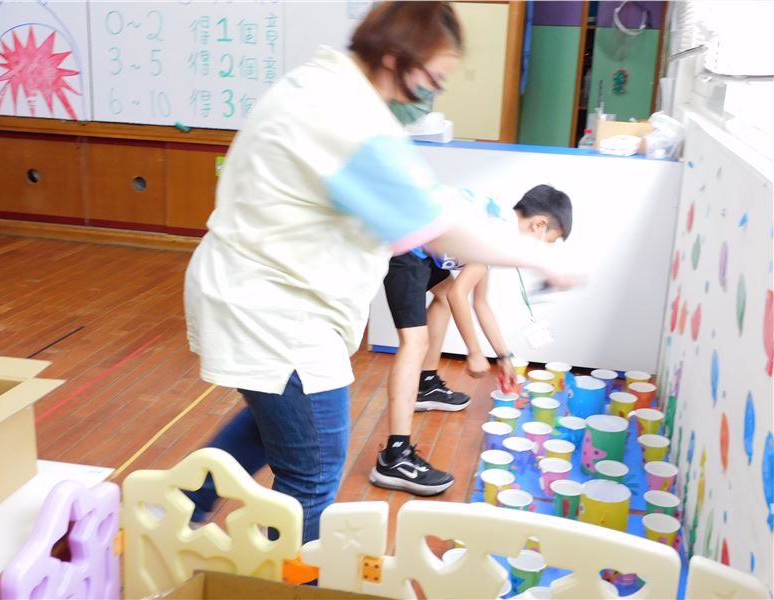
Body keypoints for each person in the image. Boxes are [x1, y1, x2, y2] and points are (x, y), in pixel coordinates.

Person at [183, 2, 579, 544]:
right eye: (432, 80)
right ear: (395, 59)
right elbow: (440, 228)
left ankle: (176, 510)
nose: (432, 95)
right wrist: (542, 258)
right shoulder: (348, 118)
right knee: (313, 472)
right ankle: (288, 577)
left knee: (270, 425)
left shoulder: (322, 83)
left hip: (254, 293)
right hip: (277, 312)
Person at [370, 185, 573, 495]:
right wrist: (474, 352)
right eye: (550, 241)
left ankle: (425, 385)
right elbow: (459, 294)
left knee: (440, 297)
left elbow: (480, 302)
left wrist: (504, 357)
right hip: (405, 247)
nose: (544, 251)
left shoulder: (496, 224)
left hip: (423, 249)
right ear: (539, 224)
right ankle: (395, 456)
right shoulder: (494, 234)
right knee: (414, 342)